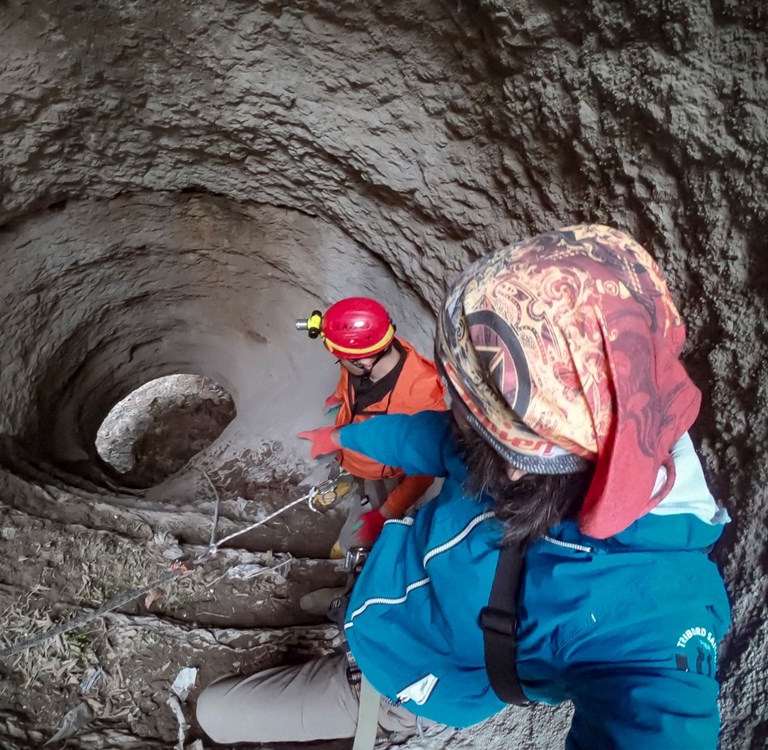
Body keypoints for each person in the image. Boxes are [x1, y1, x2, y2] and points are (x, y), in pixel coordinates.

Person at [196, 225, 731, 749]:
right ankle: (350, 605)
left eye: (467, 412)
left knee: (214, 713)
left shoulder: (655, 615)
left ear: (522, 461)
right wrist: (343, 434)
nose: (455, 419)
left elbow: (662, 720)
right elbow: (434, 438)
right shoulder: (537, 442)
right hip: (395, 594)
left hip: (408, 685)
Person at [297, 296, 447, 557]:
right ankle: (350, 479)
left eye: (340, 357)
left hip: (385, 476)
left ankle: (352, 553)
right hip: (356, 453)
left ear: (362, 361)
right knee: (354, 470)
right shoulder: (374, 354)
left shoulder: (418, 399)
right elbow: (349, 377)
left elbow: (423, 474)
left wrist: (387, 512)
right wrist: (339, 396)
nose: (339, 362)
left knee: (359, 541)